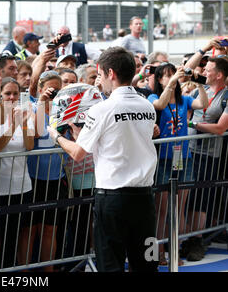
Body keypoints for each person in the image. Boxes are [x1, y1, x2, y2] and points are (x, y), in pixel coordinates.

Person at [48, 46, 158, 272]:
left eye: (101, 74)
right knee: (147, 263)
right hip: (144, 197)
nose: (101, 80)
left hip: (113, 199)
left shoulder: (101, 109)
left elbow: (78, 153)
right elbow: (120, 140)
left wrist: (56, 135)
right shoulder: (147, 105)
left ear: (111, 74)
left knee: (110, 264)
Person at [147, 63, 208, 265]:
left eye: (173, 74)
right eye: (166, 75)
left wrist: (199, 83)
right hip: (163, 158)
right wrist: (172, 84)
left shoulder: (185, 100)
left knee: (177, 209)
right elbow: (160, 106)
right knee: (162, 209)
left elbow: (203, 104)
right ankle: (159, 253)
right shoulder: (153, 97)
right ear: (158, 80)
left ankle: (174, 250)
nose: (172, 77)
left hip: (182, 158)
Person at [0, 77, 35, 270]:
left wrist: (25, 124)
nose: (11, 97)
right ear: (0, 95)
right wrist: (14, 125)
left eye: (15, 93)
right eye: (7, 93)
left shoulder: (26, 113)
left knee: (13, 237)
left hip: (22, 186)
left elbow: (29, 146)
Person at [23, 70, 69, 272]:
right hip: (33, 178)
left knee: (51, 229)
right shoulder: (31, 107)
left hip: (55, 177)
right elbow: (32, 135)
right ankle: (24, 271)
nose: (53, 93)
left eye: (57, 90)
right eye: (49, 89)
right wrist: (41, 102)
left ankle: (48, 269)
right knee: (29, 230)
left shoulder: (65, 110)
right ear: (40, 89)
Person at [186, 55, 228, 261]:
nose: (203, 72)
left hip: (210, 154)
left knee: (200, 198)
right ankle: (186, 238)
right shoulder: (199, 90)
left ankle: (196, 240)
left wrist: (192, 125)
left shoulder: (226, 96)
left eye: (208, 69)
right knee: (186, 197)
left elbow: (220, 128)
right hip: (188, 150)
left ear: (219, 75)